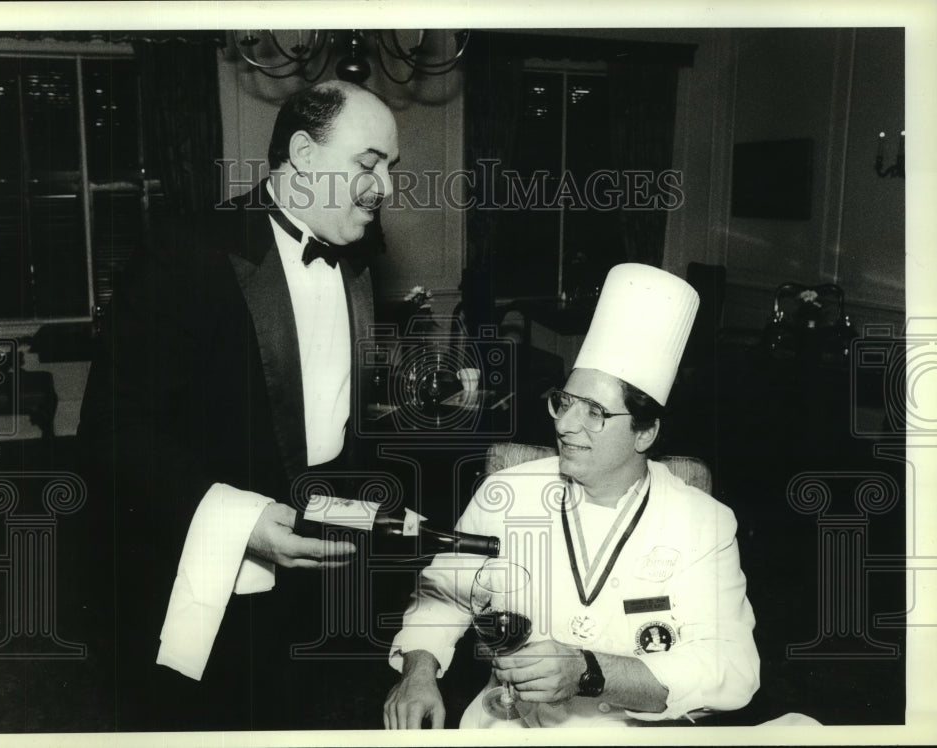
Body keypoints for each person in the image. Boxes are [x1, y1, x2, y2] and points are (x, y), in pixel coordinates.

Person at [77, 80, 399, 731]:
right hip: (202, 567)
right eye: (369, 164)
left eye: (391, 169)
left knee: (294, 711)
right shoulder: (185, 253)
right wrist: (240, 521)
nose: (385, 188)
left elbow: (332, 415)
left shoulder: (362, 251)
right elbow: (113, 430)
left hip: (316, 564)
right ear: (305, 155)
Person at [383, 263, 760, 729]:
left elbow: (734, 669)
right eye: (563, 402)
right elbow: (442, 594)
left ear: (645, 432)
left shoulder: (703, 523)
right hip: (507, 727)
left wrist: (591, 672)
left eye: (595, 412)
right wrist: (418, 672)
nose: (564, 425)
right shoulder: (507, 492)